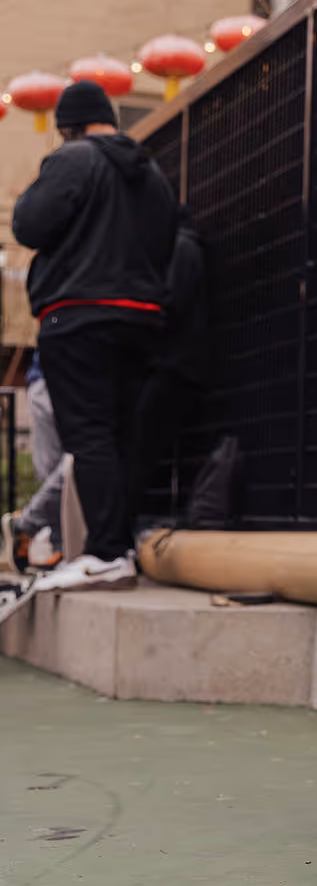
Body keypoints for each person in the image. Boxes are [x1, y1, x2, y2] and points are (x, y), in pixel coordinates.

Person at [10, 80, 176, 591]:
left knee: (88, 435)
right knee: (121, 435)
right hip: (142, 316)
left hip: (77, 315)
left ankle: (106, 552)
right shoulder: (150, 173)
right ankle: (118, 546)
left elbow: (28, 226)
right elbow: (166, 241)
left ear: (68, 126)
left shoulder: (74, 158)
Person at [128, 206, 208, 527]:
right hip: (175, 364)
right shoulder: (180, 246)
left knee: (139, 450)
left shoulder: (180, 247)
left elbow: (169, 302)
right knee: (142, 450)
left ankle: (124, 530)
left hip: (172, 364)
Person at [0, 353, 67, 572]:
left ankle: (56, 543)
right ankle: (31, 527)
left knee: (64, 465)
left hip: (63, 378)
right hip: (54, 377)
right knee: (69, 463)